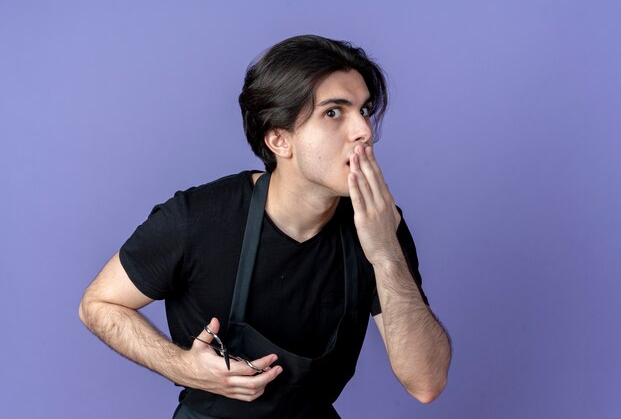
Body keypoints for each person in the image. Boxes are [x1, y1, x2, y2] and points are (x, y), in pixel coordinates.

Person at [79, 34, 451, 419]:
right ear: (279, 139)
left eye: (364, 110)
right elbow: (98, 304)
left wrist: (386, 253)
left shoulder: (379, 223)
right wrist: (182, 367)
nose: (364, 131)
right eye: (333, 113)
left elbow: (426, 382)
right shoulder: (199, 218)